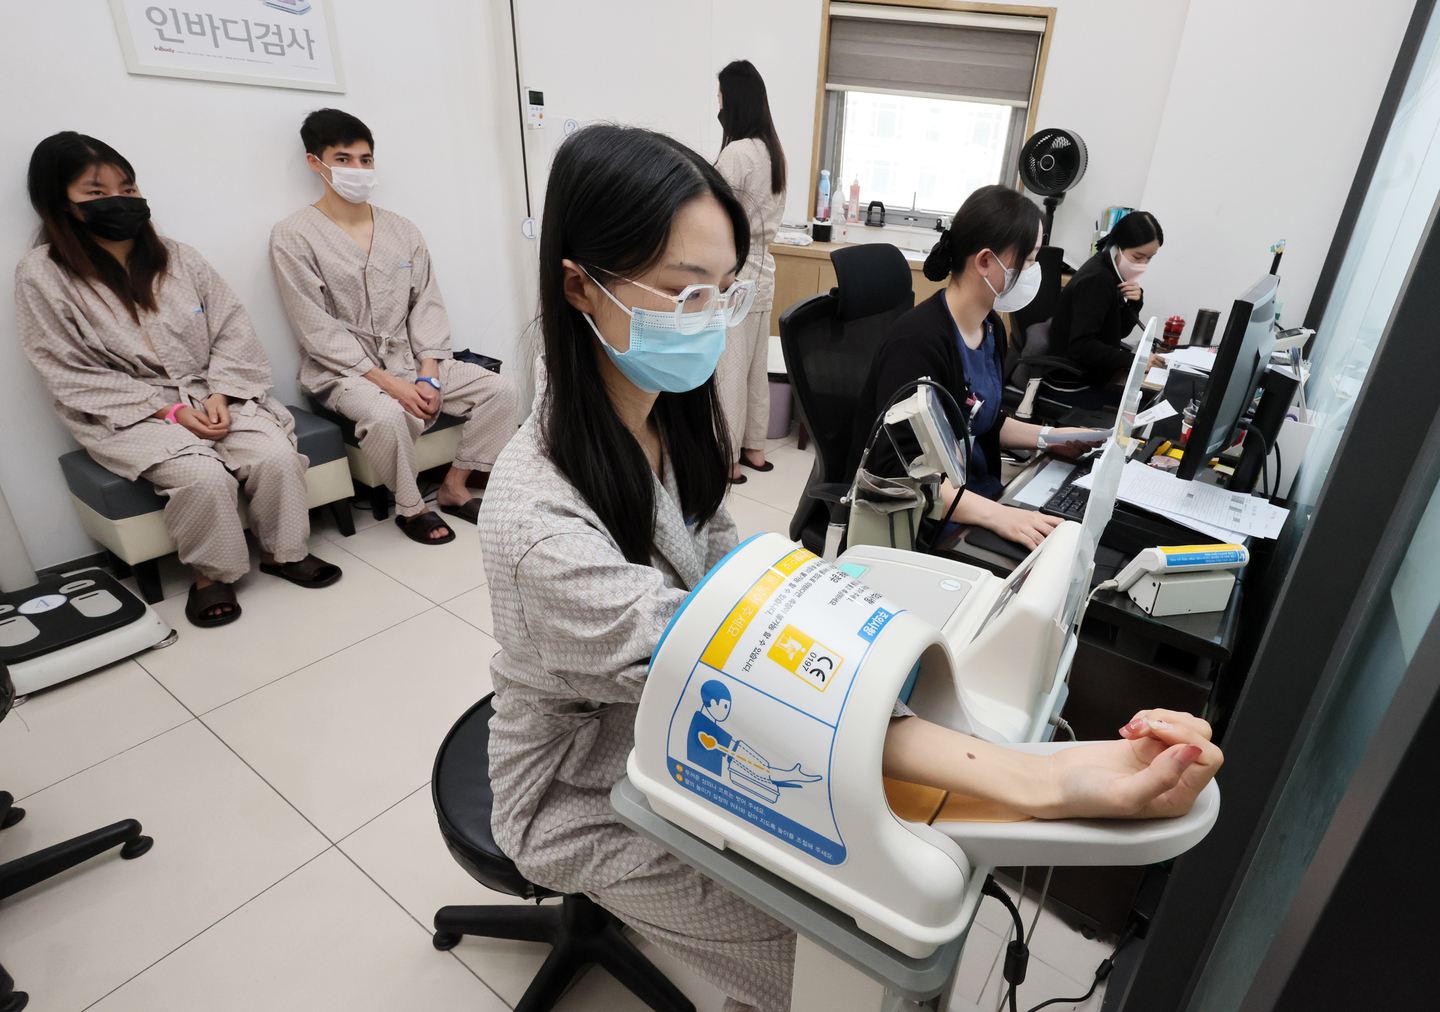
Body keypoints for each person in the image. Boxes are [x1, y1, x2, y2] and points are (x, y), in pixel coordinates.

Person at [478, 126, 1222, 1012]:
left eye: (724, 294)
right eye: (684, 294)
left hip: (667, 722)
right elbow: (718, 659)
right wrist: (1047, 778)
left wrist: (848, 634)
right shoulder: (536, 520)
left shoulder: (663, 415)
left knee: (856, 865)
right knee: (822, 952)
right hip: (581, 785)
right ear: (578, 286)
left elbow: (736, 572)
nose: (709, 320)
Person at [15, 132, 341, 628]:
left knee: (274, 455)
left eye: (127, 187)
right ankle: (212, 576)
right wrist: (170, 411)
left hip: (214, 393)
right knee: (202, 475)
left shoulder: (179, 256)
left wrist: (222, 394)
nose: (118, 201)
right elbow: (66, 368)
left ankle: (284, 552)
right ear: (58, 201)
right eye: (95, 193)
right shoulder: (42, 274)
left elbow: (232, 327)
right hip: (129, 414)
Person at [270, 108, 519, 545]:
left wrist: (427, 372)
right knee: (385, 414)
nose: (358, 169)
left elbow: (426, 303)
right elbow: (316, 328)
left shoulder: (402, 230)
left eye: (365, 159)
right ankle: (411, 506)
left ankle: (455, 486)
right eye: (343, 159)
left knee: (501, 390)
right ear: (316, 163)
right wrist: (394, 387)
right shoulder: (294, 235)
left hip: (412, 357)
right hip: (344, 371)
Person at [848, 185, 1108, 551]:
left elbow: (982, 419)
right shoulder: (918, 343)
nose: (1035, 271)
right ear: (985, 261)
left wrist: (1052, 438)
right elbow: (900, 472)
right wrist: (998, 516)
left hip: (976, 502)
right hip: (922, 520)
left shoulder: (990, 329)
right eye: (1029, 259)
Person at [713, 60, 786, 484]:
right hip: (764, 270)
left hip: (735, 272)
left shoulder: (736, 153)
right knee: (756, 366)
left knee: (729, 370)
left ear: (733, 100)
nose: (718, 104)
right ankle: (755, 449)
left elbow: (715, 213)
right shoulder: (772, 151)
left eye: (720, 96)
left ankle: (727, 459)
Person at [1045, 210, 1166, 408]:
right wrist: (1136, 361)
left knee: (1147, 399)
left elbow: (1119, 332)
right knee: (1144, 407)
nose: (1142, 265)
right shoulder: (1097, 280)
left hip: (1091, 375)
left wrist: (1136, 301)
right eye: (1138, 256)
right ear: (1119, 247)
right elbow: (1081, 346)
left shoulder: (1111, 272)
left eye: (1149, 258)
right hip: (1072, 384)